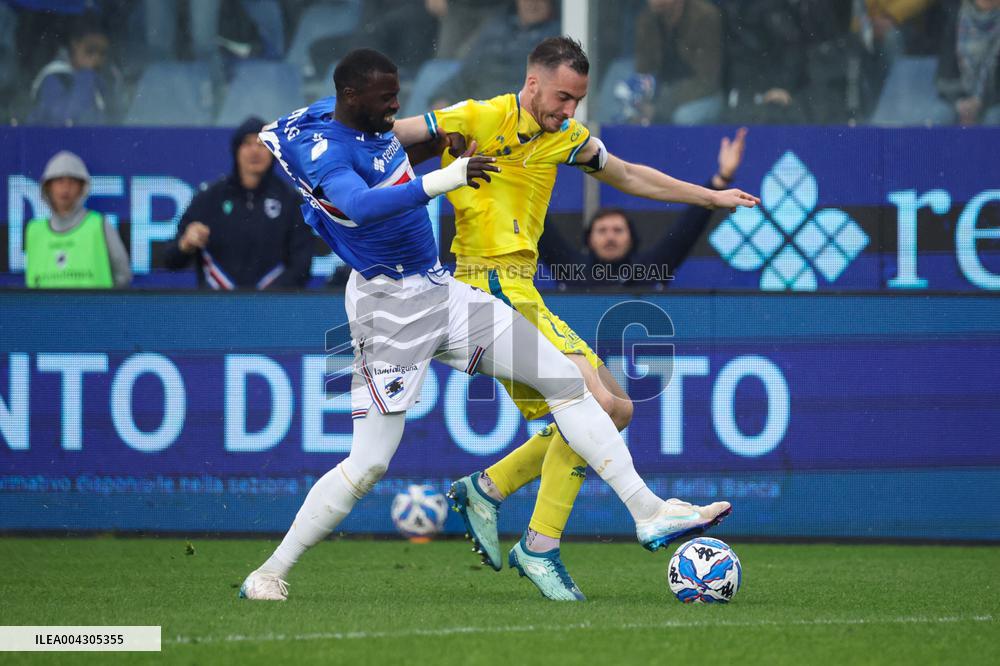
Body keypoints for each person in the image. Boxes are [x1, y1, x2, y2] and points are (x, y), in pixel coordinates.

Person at [240, 48, 732, 601]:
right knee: (369, 463)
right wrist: (447, 176)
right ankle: (270, 571)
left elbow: (390, 148)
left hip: (441, 289)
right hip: (388, 309)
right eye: (387, 99)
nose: (397, 108)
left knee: (567, 385)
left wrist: (439, 149)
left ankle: (646, 512)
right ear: (352, 98)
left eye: (397, 96)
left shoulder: (361, 126)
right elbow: (359, 206)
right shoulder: (327, 153)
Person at [392, 37, 757, 600]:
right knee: (598, 407)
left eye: (578, 101)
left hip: (521, 289)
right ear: (532, 81)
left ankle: (490, 490)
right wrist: (333, 136)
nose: (569, 110)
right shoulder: (480, 115)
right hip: (483, 284)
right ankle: (544, 540)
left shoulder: (565, 137)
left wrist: (709, 198)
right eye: (562, 96)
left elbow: (630, 174)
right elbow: (393, 135)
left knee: (619, 409)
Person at [539, 127, 749, 289]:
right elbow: (537, 222)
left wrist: (721, 180)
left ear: (631, 237)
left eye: (618, 230)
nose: (610, 237)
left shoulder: (651, 270)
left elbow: (686, 232)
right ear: (589, 238)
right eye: (602, 230)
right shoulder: (570, 270)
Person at [162, 117, 314, 290]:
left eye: (262, 144)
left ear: (273, 151)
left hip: (272, 310)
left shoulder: (291, 200)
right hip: (217, 309)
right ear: (236, 150)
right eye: (247, 144)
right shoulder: (209, 197)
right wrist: (186, 244)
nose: (254, 151)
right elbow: (170, 260)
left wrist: (266, 300)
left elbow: (302, 266)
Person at [25, 150, 131, 288]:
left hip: (92, 309)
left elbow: (122, 274)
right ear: (48, 187)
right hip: (44, 309)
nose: (65, 188)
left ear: (82, 187)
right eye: (59, 181)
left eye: (72, 181)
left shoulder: (99, 225)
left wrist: (102, 305)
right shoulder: (34, 230)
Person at [429, 0, 560, 106]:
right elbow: (464, 76)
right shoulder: (496, 29)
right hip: (480, 119)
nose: (532, 3)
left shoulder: (558, 37)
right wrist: (443, 100)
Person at [633, 0, 723, 125]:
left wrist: (660, 107)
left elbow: (707, 80)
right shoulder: (647, 19)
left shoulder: (705, 16)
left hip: (703, 95)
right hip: (661, 91)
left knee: (684, 117)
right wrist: (641, 101)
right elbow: (643, 71)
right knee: (617, 77)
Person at [28, 14, 124, 126]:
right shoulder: (55, 76)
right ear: (75, 44)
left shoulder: (104, 80)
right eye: (90, 50)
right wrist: (87, 75)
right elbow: (65, 118)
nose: (97, 58)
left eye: (102, 53)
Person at [934, 0, 1000, 126]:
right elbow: (945, 75)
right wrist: (960, 102)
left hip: (994, 99)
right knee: (941, 115)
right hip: (961, 95)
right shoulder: (956, 18)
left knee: (993, 119)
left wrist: (979, 101)